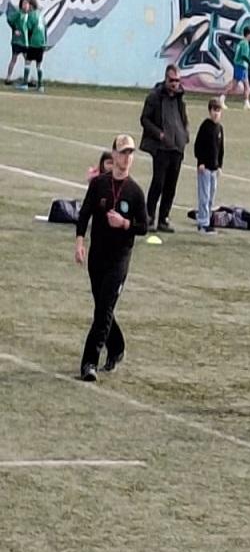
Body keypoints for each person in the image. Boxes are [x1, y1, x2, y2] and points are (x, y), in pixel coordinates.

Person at [74, 134, 147, 381]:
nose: (127, 158)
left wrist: (125, 223)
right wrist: (80, 242)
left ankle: (89, 363)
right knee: (102, 307)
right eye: (123, 152)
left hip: (119, 259)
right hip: (97, 256)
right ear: (113, 155)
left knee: (104, 309)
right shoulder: (99, 185)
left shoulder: (135, 192)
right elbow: (84, 213)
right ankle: (116, 346)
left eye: (130, 153)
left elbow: (144, 226)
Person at [139, 64, 190, 233]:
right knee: (158, 182)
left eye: (177, 80)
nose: (175, 84)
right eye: (172, 80)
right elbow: (145, 119)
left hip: (177, 147)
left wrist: (184, 135)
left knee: (171, 185)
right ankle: (149, 216)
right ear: (166, 79)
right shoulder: (154, 97)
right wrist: (159, 134)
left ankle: (164, 218)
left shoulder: (180, 98)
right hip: (161, 147)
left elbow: (183, 118)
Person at [193, 97, 225, 235]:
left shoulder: (220, 128)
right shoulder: (205, 126)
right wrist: (200, 162)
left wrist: (219, 165)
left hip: (214, 168)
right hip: (204, 168)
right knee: (204, 196)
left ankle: (208, 219)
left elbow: (220, 149)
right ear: (209, 111)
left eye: (218, 110)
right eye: (214, 110)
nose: (216, 113)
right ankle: (203, 223)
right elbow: (198, 145)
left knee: (211, 195)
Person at [226, 27, 250, 110]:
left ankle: (246, 103)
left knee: (244, 85)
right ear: (249, 34)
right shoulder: (245, 43)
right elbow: (243, 56)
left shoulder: (242, 42)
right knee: (237, 85)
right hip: (241, 66)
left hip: (240, 65)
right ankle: (222, 98)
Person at [18, 0, 44, 92]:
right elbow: (44, 28)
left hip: (33, 42)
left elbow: (29, 28)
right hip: (41, 42)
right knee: (39, 64)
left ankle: (25, 84)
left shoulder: (31, 15)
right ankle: (41, 86)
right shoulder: (41, 15)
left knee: (28, 62)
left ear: (32, 6)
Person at [4, 0, 29, 86]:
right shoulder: (18, 13)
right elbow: (9, 19)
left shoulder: (29, 16)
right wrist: (15, 29)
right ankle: (8, 77)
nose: (26, 5)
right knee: (14, 58)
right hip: (17, 41)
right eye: (24, 4)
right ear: (21, 5)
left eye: (27, 4)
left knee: (27, 60)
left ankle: (26, 79)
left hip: (25, 41)